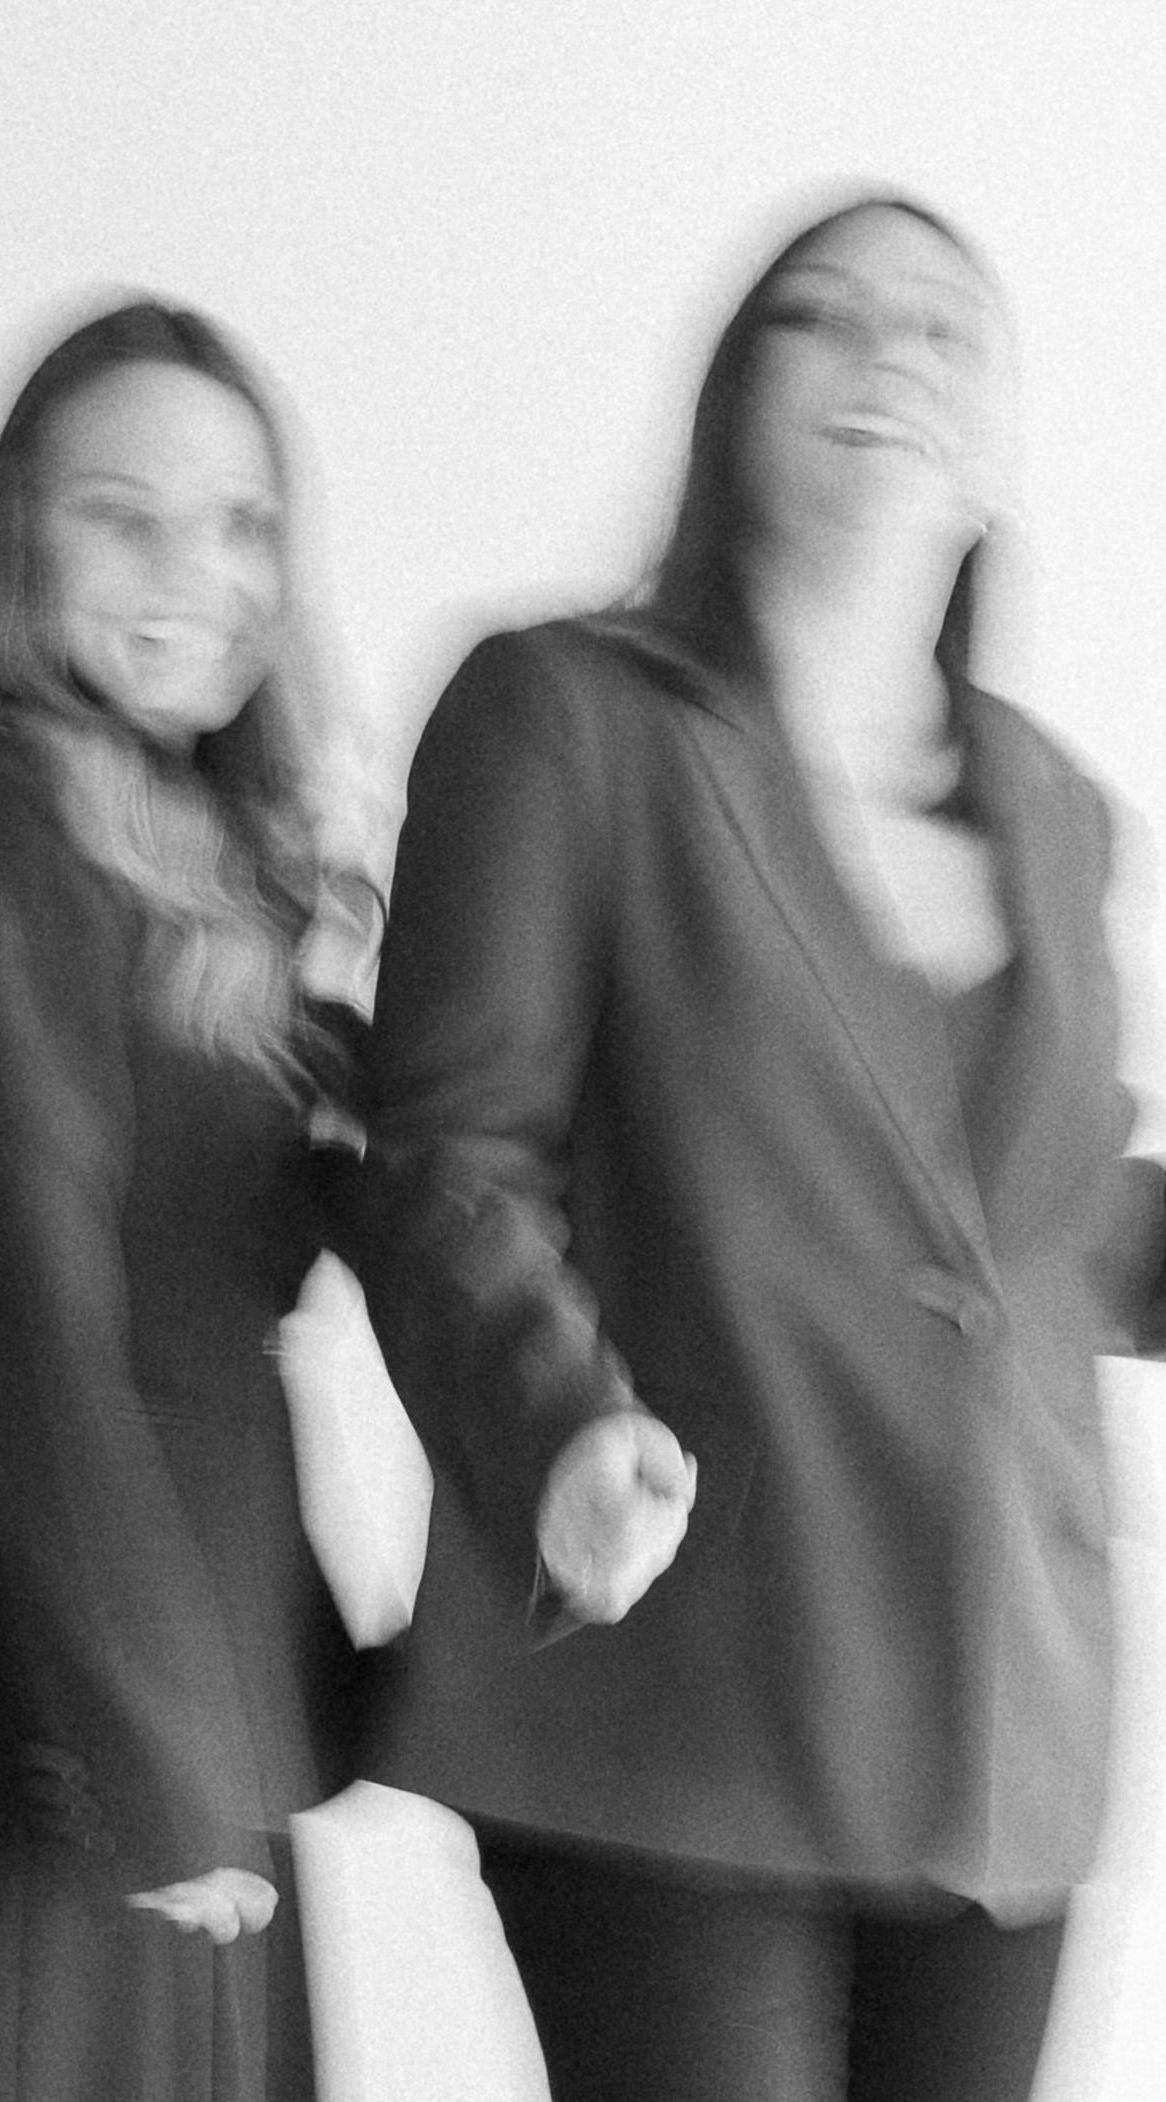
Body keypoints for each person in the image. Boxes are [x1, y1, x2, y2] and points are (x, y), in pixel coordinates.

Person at [355, 194, 1166, 2102]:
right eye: (825, 315)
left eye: (942, 327)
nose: (888, 355)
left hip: (1000, 1700)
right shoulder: (560, 712)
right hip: (680, 1668)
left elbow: (1040, 1222)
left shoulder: (1054, 808)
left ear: (996, 439)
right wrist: (555, 1420)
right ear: (728, 395)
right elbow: (451, 1155)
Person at [0, 299, 377, 2102]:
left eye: (241, 524)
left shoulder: (211, 848)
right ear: (16, 538)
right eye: (121, 518)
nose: (196, 577)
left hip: (201, 1689)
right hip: (75, 1729)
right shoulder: (11, 816)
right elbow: (24, 1307)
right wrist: (146, 1745)